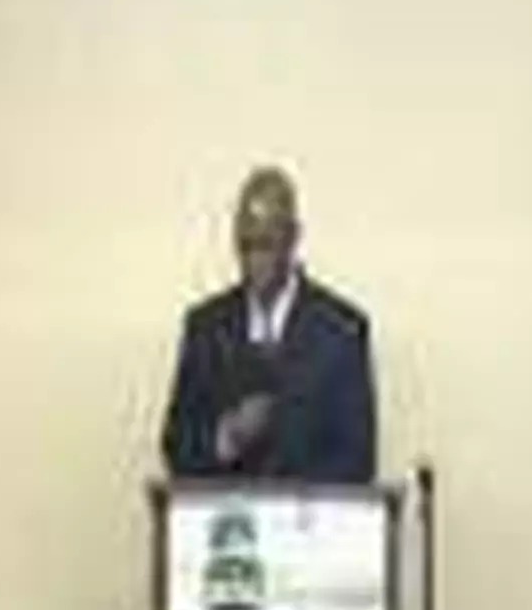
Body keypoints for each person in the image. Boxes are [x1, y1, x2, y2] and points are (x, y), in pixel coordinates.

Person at [160, 166, 376, 483]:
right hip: (224, 514)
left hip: (310, 514)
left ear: (294, 237)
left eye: (266, 244)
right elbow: (176, 446)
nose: (254, 260)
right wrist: (228, 436)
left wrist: (283, 500)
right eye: (245, 245)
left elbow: (357, 460)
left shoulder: (341, 331)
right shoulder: (206, 327)